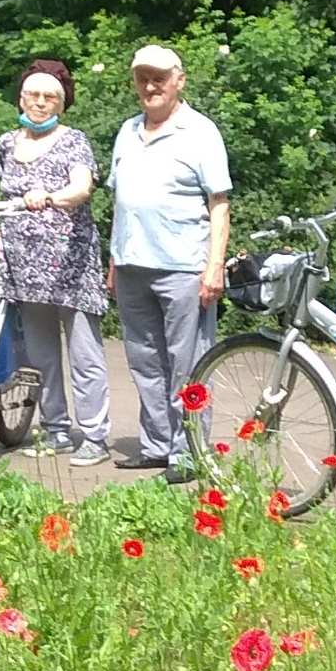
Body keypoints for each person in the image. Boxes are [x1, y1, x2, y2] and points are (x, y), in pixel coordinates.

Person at [108, 45, 231, 482]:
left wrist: (214, 265)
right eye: (142, 77)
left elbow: (219, 204)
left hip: (183, 265)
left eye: (159, 77)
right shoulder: (127, 131)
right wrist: (113, 258)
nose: (150, 85)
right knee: (144, 360)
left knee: (189, 363)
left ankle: (190, 452)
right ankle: (157, 446)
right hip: (131, 264)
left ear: (179, 81)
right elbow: (122, 203)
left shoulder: (200, 132)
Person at [0, 59, 111, 466]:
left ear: (62, 103)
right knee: (40, 355)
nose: (40, 103)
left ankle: (95, 436)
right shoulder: (7, 143)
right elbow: (5, 195)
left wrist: (52, 196)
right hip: (23, 266)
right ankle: (56, 429)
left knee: (84, 354)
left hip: (70, 266)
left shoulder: (73, 140)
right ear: (21, 97)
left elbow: (83, 186)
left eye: (50, 97)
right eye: (33, 95)